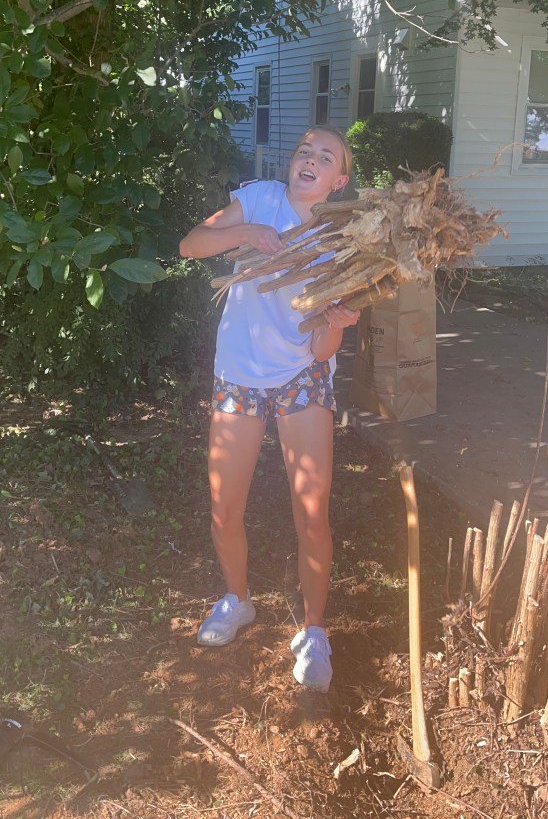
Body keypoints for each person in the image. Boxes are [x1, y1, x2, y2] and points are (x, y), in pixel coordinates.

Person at [179, 125, 359, 693]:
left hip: (303, 376)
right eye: (305, 151)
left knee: (313, 512)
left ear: (338, 181)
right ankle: (237, 600)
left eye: (325, 157)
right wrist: (249, 232)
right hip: (239, 375)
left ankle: (313, 632)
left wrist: (336, 324)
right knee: (223, 508)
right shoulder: (259, 198)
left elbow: (322, 350)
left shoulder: (340, 241)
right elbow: (190, 245)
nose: (311, 160)